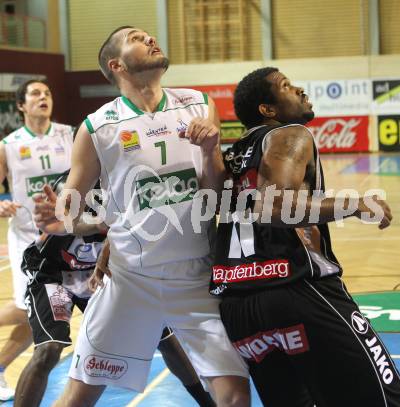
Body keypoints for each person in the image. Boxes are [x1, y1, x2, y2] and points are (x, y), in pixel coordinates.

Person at [34, 26, 249, 406]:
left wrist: (211, 150)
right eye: (137, 38)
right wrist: (62, 222)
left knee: (234, 395)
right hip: (129, 282)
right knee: (78, 396)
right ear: (116, 64)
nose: (151, 39)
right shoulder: (97, 127)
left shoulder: (198, 104)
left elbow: (215, 195)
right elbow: (74, 212)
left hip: (196, 279)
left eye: (150, 35)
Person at [210, 67, 400, 407]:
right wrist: (354, 204)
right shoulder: (289, 134)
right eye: (287, 86)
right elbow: (273, 205)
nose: (301, 90)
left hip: (239, 307)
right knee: (389, 400)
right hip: (296, 289)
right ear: (268, 110)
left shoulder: (230, 157)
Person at [14, 172, 216, 407]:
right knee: (49, 348)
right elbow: (84, 225)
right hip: (54, 276)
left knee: (165, 337)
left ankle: (208, 403)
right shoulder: (73, 194)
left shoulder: (121, 196)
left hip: (96, 275)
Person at [0, 80, 74, 400]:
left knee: (39, 320)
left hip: (62, 236)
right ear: (21, 105)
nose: (43, 97)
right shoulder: (9, 144)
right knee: (35, 314)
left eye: (47, 92)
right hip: (26, 238)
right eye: (35, 94)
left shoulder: (70, 135)